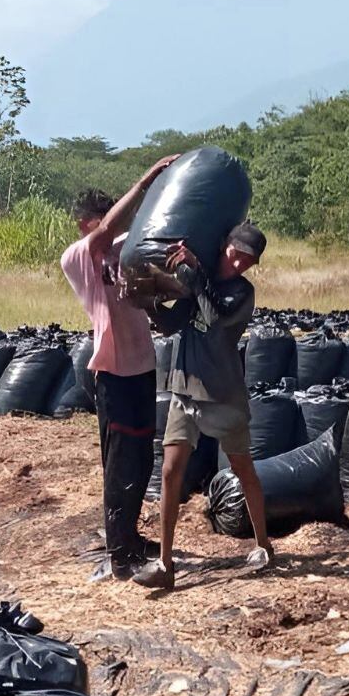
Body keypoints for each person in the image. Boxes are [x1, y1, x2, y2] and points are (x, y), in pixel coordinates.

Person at [134, 220, 272, 591]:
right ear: (225, 244)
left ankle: (263, 546)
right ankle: (164, 564)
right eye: (237, 254)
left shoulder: (242, 293)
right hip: (184, 389)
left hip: (223, 395)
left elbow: (214, 317)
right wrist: (147, 302)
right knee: (170, 474)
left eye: (249, 260)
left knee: (244, 472)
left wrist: (194, 274)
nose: (240, 263)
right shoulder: (198, 278)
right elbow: (171, 324)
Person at [59, 154, 177, 581]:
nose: (107, 229)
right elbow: (110, 229)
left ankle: (129, 535)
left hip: (142, 364)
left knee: (142, 457)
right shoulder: (77, 257)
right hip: (113, 371)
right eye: (99, 221)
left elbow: (160, 275)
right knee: (120, 462)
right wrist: (146, 179)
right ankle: (119, 553)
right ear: (85, 225)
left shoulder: (127, 252)